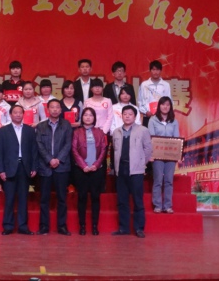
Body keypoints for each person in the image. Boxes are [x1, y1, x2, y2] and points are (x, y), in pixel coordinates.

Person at [111, 106, 152, 238]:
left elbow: (148, 149)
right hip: (121, 169)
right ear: (121, 116)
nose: (127, 116)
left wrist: (141, 163)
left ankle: (139, 228)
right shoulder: (116, 132)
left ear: (135, 116)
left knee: (137, 200)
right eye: (125, 114)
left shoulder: (143, 130)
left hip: (136, 170)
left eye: (130, 114)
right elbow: (114, 150)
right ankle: (123, 228)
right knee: (122, 200)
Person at [0, 105, 38, 235]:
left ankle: (23, 226)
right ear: (10, 115)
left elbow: (34, 150)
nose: (18, 115)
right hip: (9, 168)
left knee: (23, 199)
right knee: (9, 199)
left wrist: (34, 167)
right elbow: (0, 152)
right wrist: (1, 170)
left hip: (25, 168)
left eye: (20, 112)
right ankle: (8, 226)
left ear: (23, 114)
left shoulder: (30, 130)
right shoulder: (3, 131)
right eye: (15, 112)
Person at [35, 99, 73, 236]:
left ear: (61, 110)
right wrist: (49, 159)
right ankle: (44, 226)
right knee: (44, 199)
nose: (55, 109)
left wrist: (58, 159)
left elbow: (68, 144)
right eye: (52, 107)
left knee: (62, 198)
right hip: (45, 167)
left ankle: (62, 226)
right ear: (47, 110)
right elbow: (39, 144)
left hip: (61, 167)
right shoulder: (41, 126)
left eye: (57, 107)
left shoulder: (66, 125)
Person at [71, 107, 107, 236]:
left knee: (95, 198)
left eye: (90, 115)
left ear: (94, 118)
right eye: (85, 115)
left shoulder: (100, 132)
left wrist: (96, 165)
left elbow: (103, 149)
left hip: (96, 170)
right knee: (82, 197)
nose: (88, 117)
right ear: (82, 117)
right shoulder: (77, 132)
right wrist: (83, 165)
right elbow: (74, 150)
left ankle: (95, 226)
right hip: (81, 170)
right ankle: (82, 226)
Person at [149, 96, 180, 214]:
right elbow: (151, 138)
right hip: (157, 154)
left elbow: (177, 138)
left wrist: (178, 155)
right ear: (159, 106)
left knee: (168, 181)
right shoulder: (153, 120)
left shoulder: (174, 121)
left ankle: (167, 206)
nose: (165, 107)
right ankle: (157, 205)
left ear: (170, 107)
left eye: (168, 105)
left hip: (171, 155)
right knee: (158, 180)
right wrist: (150, 154)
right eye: (163, 104)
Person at [138, 60, 171, 126]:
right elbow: (140, 101)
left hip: (162, 117)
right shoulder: (144, 85)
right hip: (147, 116)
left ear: (161, 71)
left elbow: (169, 101)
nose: (155, 72)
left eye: (157, 70)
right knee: (146, 133)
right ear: (150, 71)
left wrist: (162, 112)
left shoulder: (166, 85)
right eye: (153, 69)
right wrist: (146, 112)